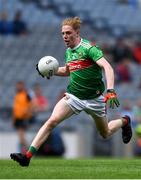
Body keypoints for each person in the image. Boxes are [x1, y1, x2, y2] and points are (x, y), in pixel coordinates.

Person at [10, 17, 132, 166]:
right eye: (63, 33)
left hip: (95, 98)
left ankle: (125, 121)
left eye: (68, 33)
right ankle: (27, 157)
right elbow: (68, 71)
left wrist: (111, 90)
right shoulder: (69, 52)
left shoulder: (89, 49)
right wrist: (51, 70)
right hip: (74, 96)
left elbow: (108, 67)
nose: (65, 36)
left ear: (77, 32)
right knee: (52, 121)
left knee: (105, 133)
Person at [12, 81, 33, 153]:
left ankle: (29, 149)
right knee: (21, 137)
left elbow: (31, 105)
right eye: (17, 85)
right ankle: (26, 150)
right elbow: (15, 108)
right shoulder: (17, 95)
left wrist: (27, 112)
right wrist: (13, 119)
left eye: (20, 85)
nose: (18, 87)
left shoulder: (26, 95)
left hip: (23, 118)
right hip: (17, 118)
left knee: (21, 136)